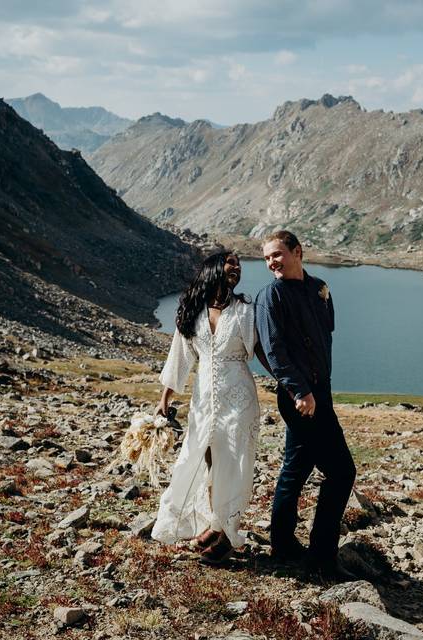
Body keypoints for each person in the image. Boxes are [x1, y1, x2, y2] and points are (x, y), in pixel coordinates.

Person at [254, 230, 357, 581]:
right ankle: (322, 557)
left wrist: (317, 388)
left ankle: (282, 544)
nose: (272, 262)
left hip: (319, 392)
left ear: (298, 251)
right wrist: (300, 390)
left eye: (277, 255)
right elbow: (272, 351)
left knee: (295, 469)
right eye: (267, 258)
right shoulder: (270, 296)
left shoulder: (320, 289)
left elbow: (325, 335)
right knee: (342, 472)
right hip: (300, 397)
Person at [151, 252, 261, 564]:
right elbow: (179, 360)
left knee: (233, 463)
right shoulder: (193, 312)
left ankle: (226, 535)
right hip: (204, 400)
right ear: (214, 269)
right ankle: (215, 523)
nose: (237, 268)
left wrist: (291, 383)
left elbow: (264, 350)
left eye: (239, 265)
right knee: (206, 462)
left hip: (239, 398)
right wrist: (164, 401)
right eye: (231, 263)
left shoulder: (245, 311)